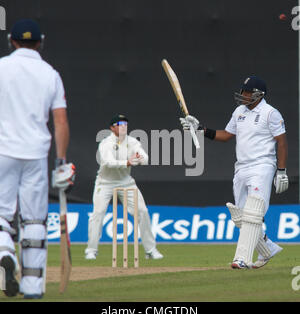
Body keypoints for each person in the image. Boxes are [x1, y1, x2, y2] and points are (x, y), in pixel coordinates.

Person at [0, 19, 75, 299]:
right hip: (35, 153)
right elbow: (60, 121)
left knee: (1, 215)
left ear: (12, 41)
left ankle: (5, 252)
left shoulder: (1, 68)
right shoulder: (50, 73)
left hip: (4, 150)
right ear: (40, 42)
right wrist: (61, 160)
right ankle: (32, 288)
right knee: (34, 222)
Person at [180, 76, 287, 269]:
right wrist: (200, 129)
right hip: (242, 167)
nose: (243, 95)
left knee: (253, 213)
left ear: (258, 95)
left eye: (247, 92)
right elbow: (227, 135)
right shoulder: (239, 111)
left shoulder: (271, 113)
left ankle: (242, 259)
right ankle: (267, 249)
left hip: (262, 166)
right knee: (241, 217)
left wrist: (281, 171)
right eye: (243, 91)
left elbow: (281, 141)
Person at [85, 114, 163, 261]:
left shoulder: (132, 142)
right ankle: (91, 250)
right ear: (112, 127)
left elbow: (145, 159)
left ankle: (150, 250)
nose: (123, 127)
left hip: (126, 182)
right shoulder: (105, 143)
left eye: (125, 124)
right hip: (105, 182)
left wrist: (140, 159)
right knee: (98, 213)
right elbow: (108, 162)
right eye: (120, 124)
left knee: (142, 211)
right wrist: (127, 163)